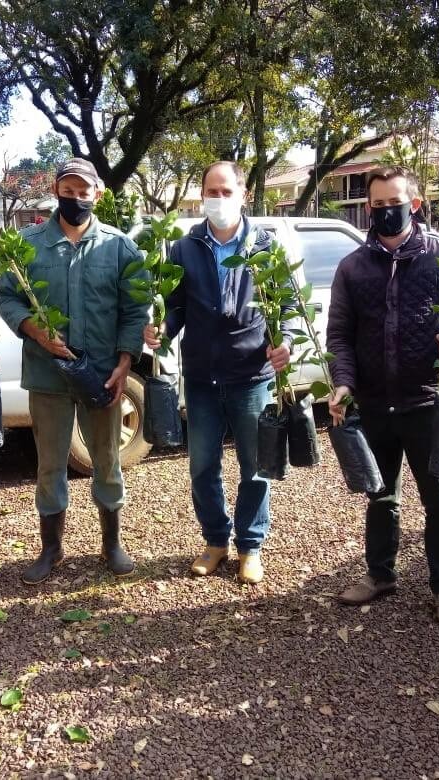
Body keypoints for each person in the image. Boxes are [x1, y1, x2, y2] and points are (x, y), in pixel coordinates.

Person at [325, 165, 439, 632]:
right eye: (376, 205)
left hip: (427, 403)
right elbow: (340, 335)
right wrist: (344, 382)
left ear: (414, 205)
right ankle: (380, 575)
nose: (384, 212)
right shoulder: (353, 267)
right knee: (380, 497)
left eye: (393, 203)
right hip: (375, 404)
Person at [0, 158, 148, 584]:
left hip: (102, 376)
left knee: (107, 459)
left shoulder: (120, 248)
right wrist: (34, 330)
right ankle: (52, 548)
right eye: (69, 189)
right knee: (50, 464)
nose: (76, 198)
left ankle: (112, 543)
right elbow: (8, 298)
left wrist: (124, 362)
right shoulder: (26, 246)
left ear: (97, 195)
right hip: (48, 376)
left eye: (85, 191)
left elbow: (135, 310)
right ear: (55, 189)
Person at [144, 161, 293, 585]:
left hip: (251, 375)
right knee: (202, 465)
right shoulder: (185, 247)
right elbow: (175, 307)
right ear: (202, 195)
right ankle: (215, 541)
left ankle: (250, 545)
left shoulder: (266, 246)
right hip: (203, 376)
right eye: (212, 191)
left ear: (244, 194)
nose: (219, 199)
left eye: (227, 191)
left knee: (255, 467)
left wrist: (287, 343)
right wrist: (163, 329)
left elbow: (288, 308)